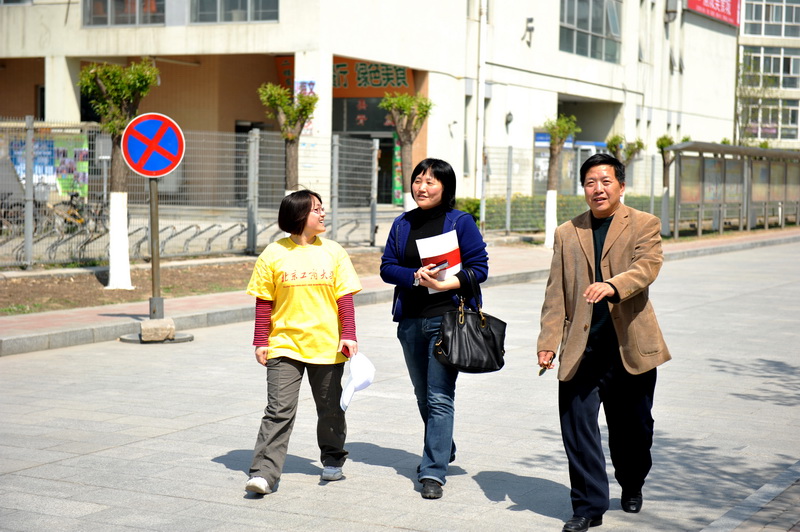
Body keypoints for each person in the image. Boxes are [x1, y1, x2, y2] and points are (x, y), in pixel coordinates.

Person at [537, 153, 671, 532]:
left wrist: (613, 286)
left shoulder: (644, 223)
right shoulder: (567, 232)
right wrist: (548, 342)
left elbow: (647, 267)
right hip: (583, 350)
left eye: (605, 181)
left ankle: (632, 480)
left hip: (629, 348)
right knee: (577, 429)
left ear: (621, 186)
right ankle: (588, 506)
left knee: (633, 431)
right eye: (590, 182)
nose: (597, 189)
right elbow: (556, 293)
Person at [380, 158, 489, 499]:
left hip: (448, 318)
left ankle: (432, 472)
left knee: (439, 395)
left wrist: (446, 283)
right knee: (421, 393)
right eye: (418, 180)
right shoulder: (402, 223)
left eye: (431, 182)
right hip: (411, 320)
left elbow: (479, 268)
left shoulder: (459, 222)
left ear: (445, 187)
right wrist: (414, 276)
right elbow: (387, 267)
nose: (422, 187)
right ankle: (442, 444)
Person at [244, 189, 362, 495]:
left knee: (331, 408)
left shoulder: (334, 251)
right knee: (278, 410)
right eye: (316, 209)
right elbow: (264, 301)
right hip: (284, 344)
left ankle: (332, 458)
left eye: (322, 208)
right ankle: (263, 473)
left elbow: (344, 298)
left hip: (327, 344)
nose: (323, 213)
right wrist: (261, 340)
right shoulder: (273, 254)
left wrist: (348, 334)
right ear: (298, 215)